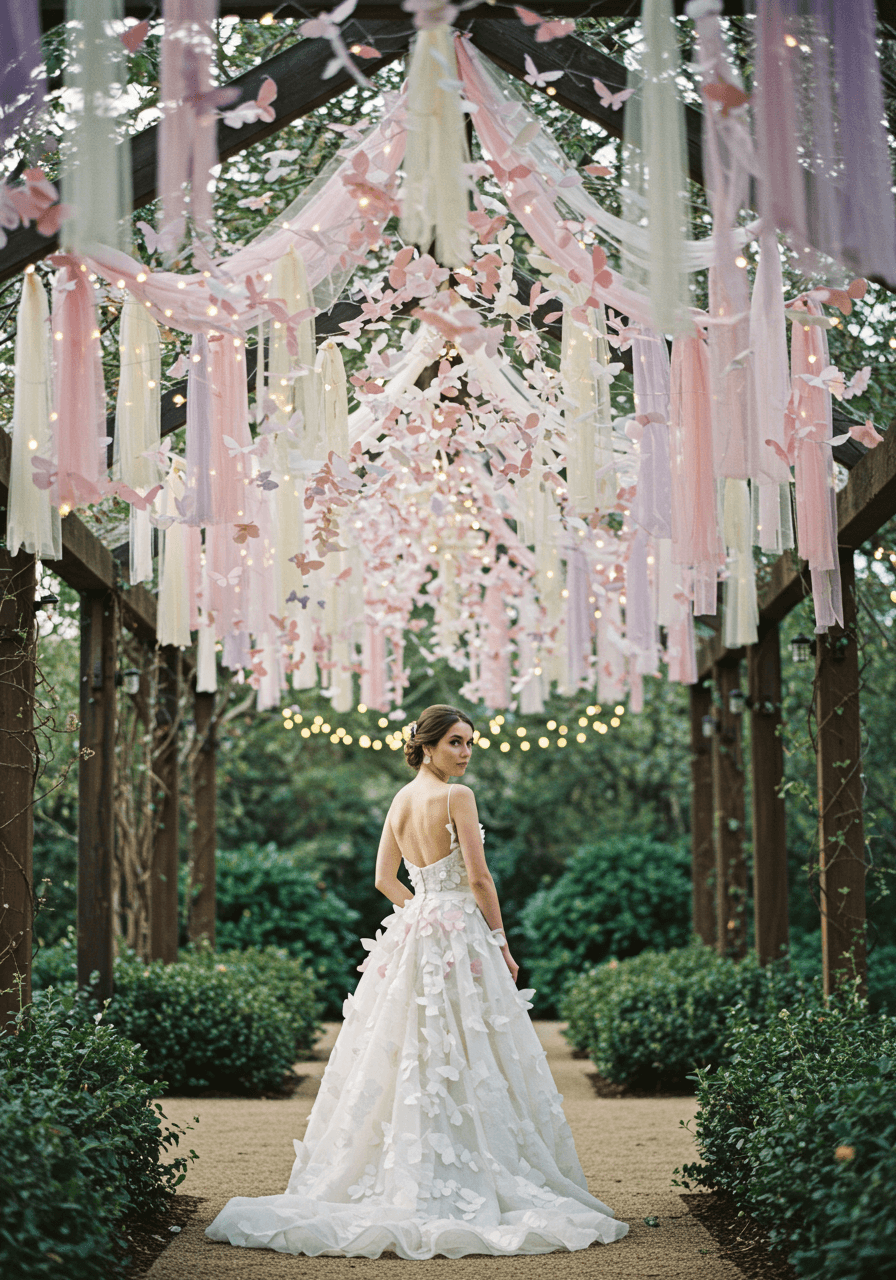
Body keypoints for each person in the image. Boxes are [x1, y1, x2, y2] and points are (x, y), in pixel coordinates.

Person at [206, 703, 629, 1259]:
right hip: (459, 931)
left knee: (412, 1043)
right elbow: (478, 877)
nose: (466, 751)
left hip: (415, 931)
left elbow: (384, 879)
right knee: (466, 1041)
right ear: (427, 746)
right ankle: (467, 1152)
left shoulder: (401, 800)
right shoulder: (458, 797)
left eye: (469, 742)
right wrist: (499, 941)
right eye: (456, 742)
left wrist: (421, 910)